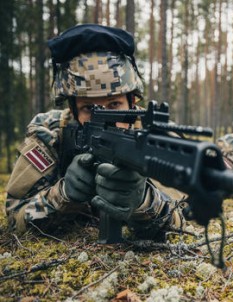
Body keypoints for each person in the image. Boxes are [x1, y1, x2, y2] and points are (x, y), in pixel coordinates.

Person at [5, 24, 185, 241]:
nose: (105, 119)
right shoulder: (52, 133)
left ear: (133, 99)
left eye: (114, 105)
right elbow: (15, 218)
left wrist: (144, 202)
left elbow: (182, 216)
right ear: (71, 109)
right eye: (89, 108)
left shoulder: (154, 135)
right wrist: (61, 196)